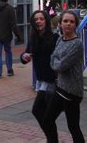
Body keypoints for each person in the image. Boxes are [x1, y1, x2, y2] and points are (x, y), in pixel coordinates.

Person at [42, 10, 85, 143]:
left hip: (72, 91)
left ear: (75, 25)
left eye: (71, 22)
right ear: (60, 23)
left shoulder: (77, 44)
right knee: (47, 120)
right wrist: (56, 62)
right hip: (61, 87)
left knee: (73, 127)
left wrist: (56, 62)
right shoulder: (60, 39)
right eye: (65, 21)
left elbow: (60, 66)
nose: (68, 24)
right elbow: (53, 58)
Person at [20, 10, 59, 139]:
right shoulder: (33, 38)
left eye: (41, 19)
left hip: (53, 81)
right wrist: (24, 57)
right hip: (41, 81)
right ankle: (52, 138)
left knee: (39, 111)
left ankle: (52, 139)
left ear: (46, 21)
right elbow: (25, 54)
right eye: (36, 19)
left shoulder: (54, 37)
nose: (38, 21)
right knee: (43, 114)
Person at [0, 0, 21, 78]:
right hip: (7, 34)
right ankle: (9, 70)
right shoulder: (10, 9)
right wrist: (18, 35)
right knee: (8, 52)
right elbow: (13, 24)